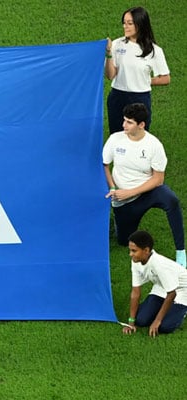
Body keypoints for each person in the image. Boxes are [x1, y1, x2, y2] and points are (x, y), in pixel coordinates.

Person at [102, 103, 185, 266]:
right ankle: (119, 224)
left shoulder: (154, 145)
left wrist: (131, 191)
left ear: (141, 125)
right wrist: (112, 187)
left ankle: (181, 252)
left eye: (129, 122)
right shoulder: (115, 140)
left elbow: (158, 179)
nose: (123, 125)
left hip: (147, 192)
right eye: (124, 120)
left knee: (171, 200)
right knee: (124, 240)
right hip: (123, 199)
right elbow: (105, 165)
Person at [105, 6, 170, 134]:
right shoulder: (117, 45)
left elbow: (166, 78)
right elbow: (110, 75)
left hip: (140, 99)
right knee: (117, 136)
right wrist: (108, 54)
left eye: (130, 23)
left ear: (140, 24)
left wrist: (144, 80)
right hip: (117, 97)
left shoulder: (154, 50)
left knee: (139, 137)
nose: (125, 26)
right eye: (124, 23)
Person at [122, 230, 187, 337]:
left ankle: (182, 310)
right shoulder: (136, 261)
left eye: (134, 251)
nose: (130, 254)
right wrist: (131, 322)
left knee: (165, 327)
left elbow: (172, 293)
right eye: (130, 250)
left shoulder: (159, 265)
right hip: (161, 288)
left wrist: (157, 321)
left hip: (182, 291)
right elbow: (135, 292)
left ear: (146, 250)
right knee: (141, 320)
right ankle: (162, 308)